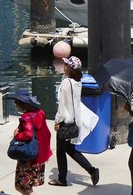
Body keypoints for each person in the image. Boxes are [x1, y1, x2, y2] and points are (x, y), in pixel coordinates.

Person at [50, 56, 98, 186]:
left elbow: (62, 105)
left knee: (60, 152)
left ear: (69, 68)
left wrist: (57, 121)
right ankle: (92, 170)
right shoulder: (78, 82)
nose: (63, 66)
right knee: (70, 149)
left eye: (66, 65)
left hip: (66, 121)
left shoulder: (66, 82)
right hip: (75, 121)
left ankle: (62, 179)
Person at [6, 90, 52, 195]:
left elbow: (28, 135)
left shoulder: (26, 118)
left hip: (28, 159)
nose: (15, 105)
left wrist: (17, 134)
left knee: (20, 186)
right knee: (28, 186)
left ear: (23, 104)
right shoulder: (40, 112)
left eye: (17, 103)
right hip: (38, 155)